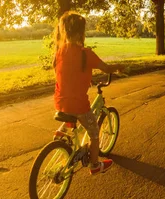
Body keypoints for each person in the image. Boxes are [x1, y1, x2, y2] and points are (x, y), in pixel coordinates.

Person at [53, 11, 124, 175]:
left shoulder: (60, 52)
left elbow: (68, 74)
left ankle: (61, 132)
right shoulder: (86, 54)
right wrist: (119, 67)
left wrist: (86, 80)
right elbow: (106, 68)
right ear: (80, 33)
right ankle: (94, 165)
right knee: (94, 134)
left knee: (70, 112)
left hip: (59, 102)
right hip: (79, 106)